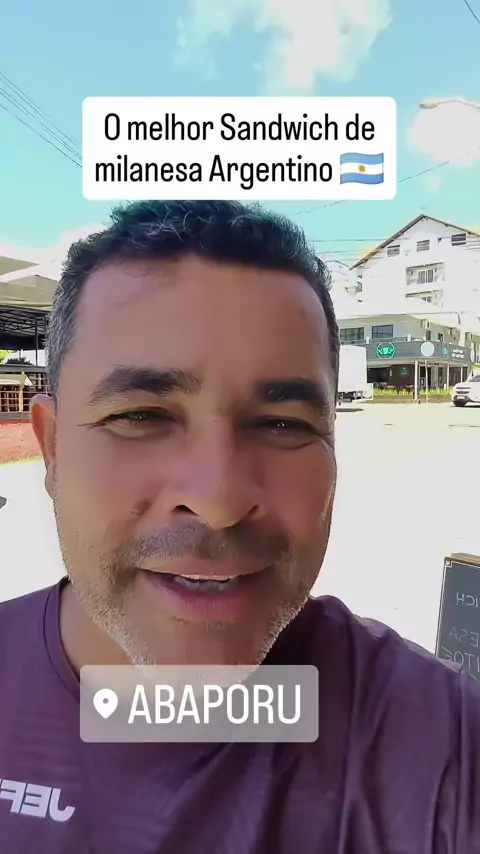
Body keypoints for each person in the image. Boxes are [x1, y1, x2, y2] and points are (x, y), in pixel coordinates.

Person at [0, 199, 478, 853]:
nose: (218, 500)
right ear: (52, 449)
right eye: (141, 416)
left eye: (282, 424)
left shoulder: (443, 747)